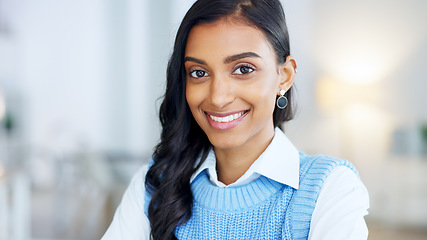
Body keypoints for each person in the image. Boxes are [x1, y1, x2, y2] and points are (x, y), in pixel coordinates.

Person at [102, 0, 369, 239]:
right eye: (198, 72)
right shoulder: (156, 184)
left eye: (243, 69)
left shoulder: (329, 188)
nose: (217, 97)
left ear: (284, 76)